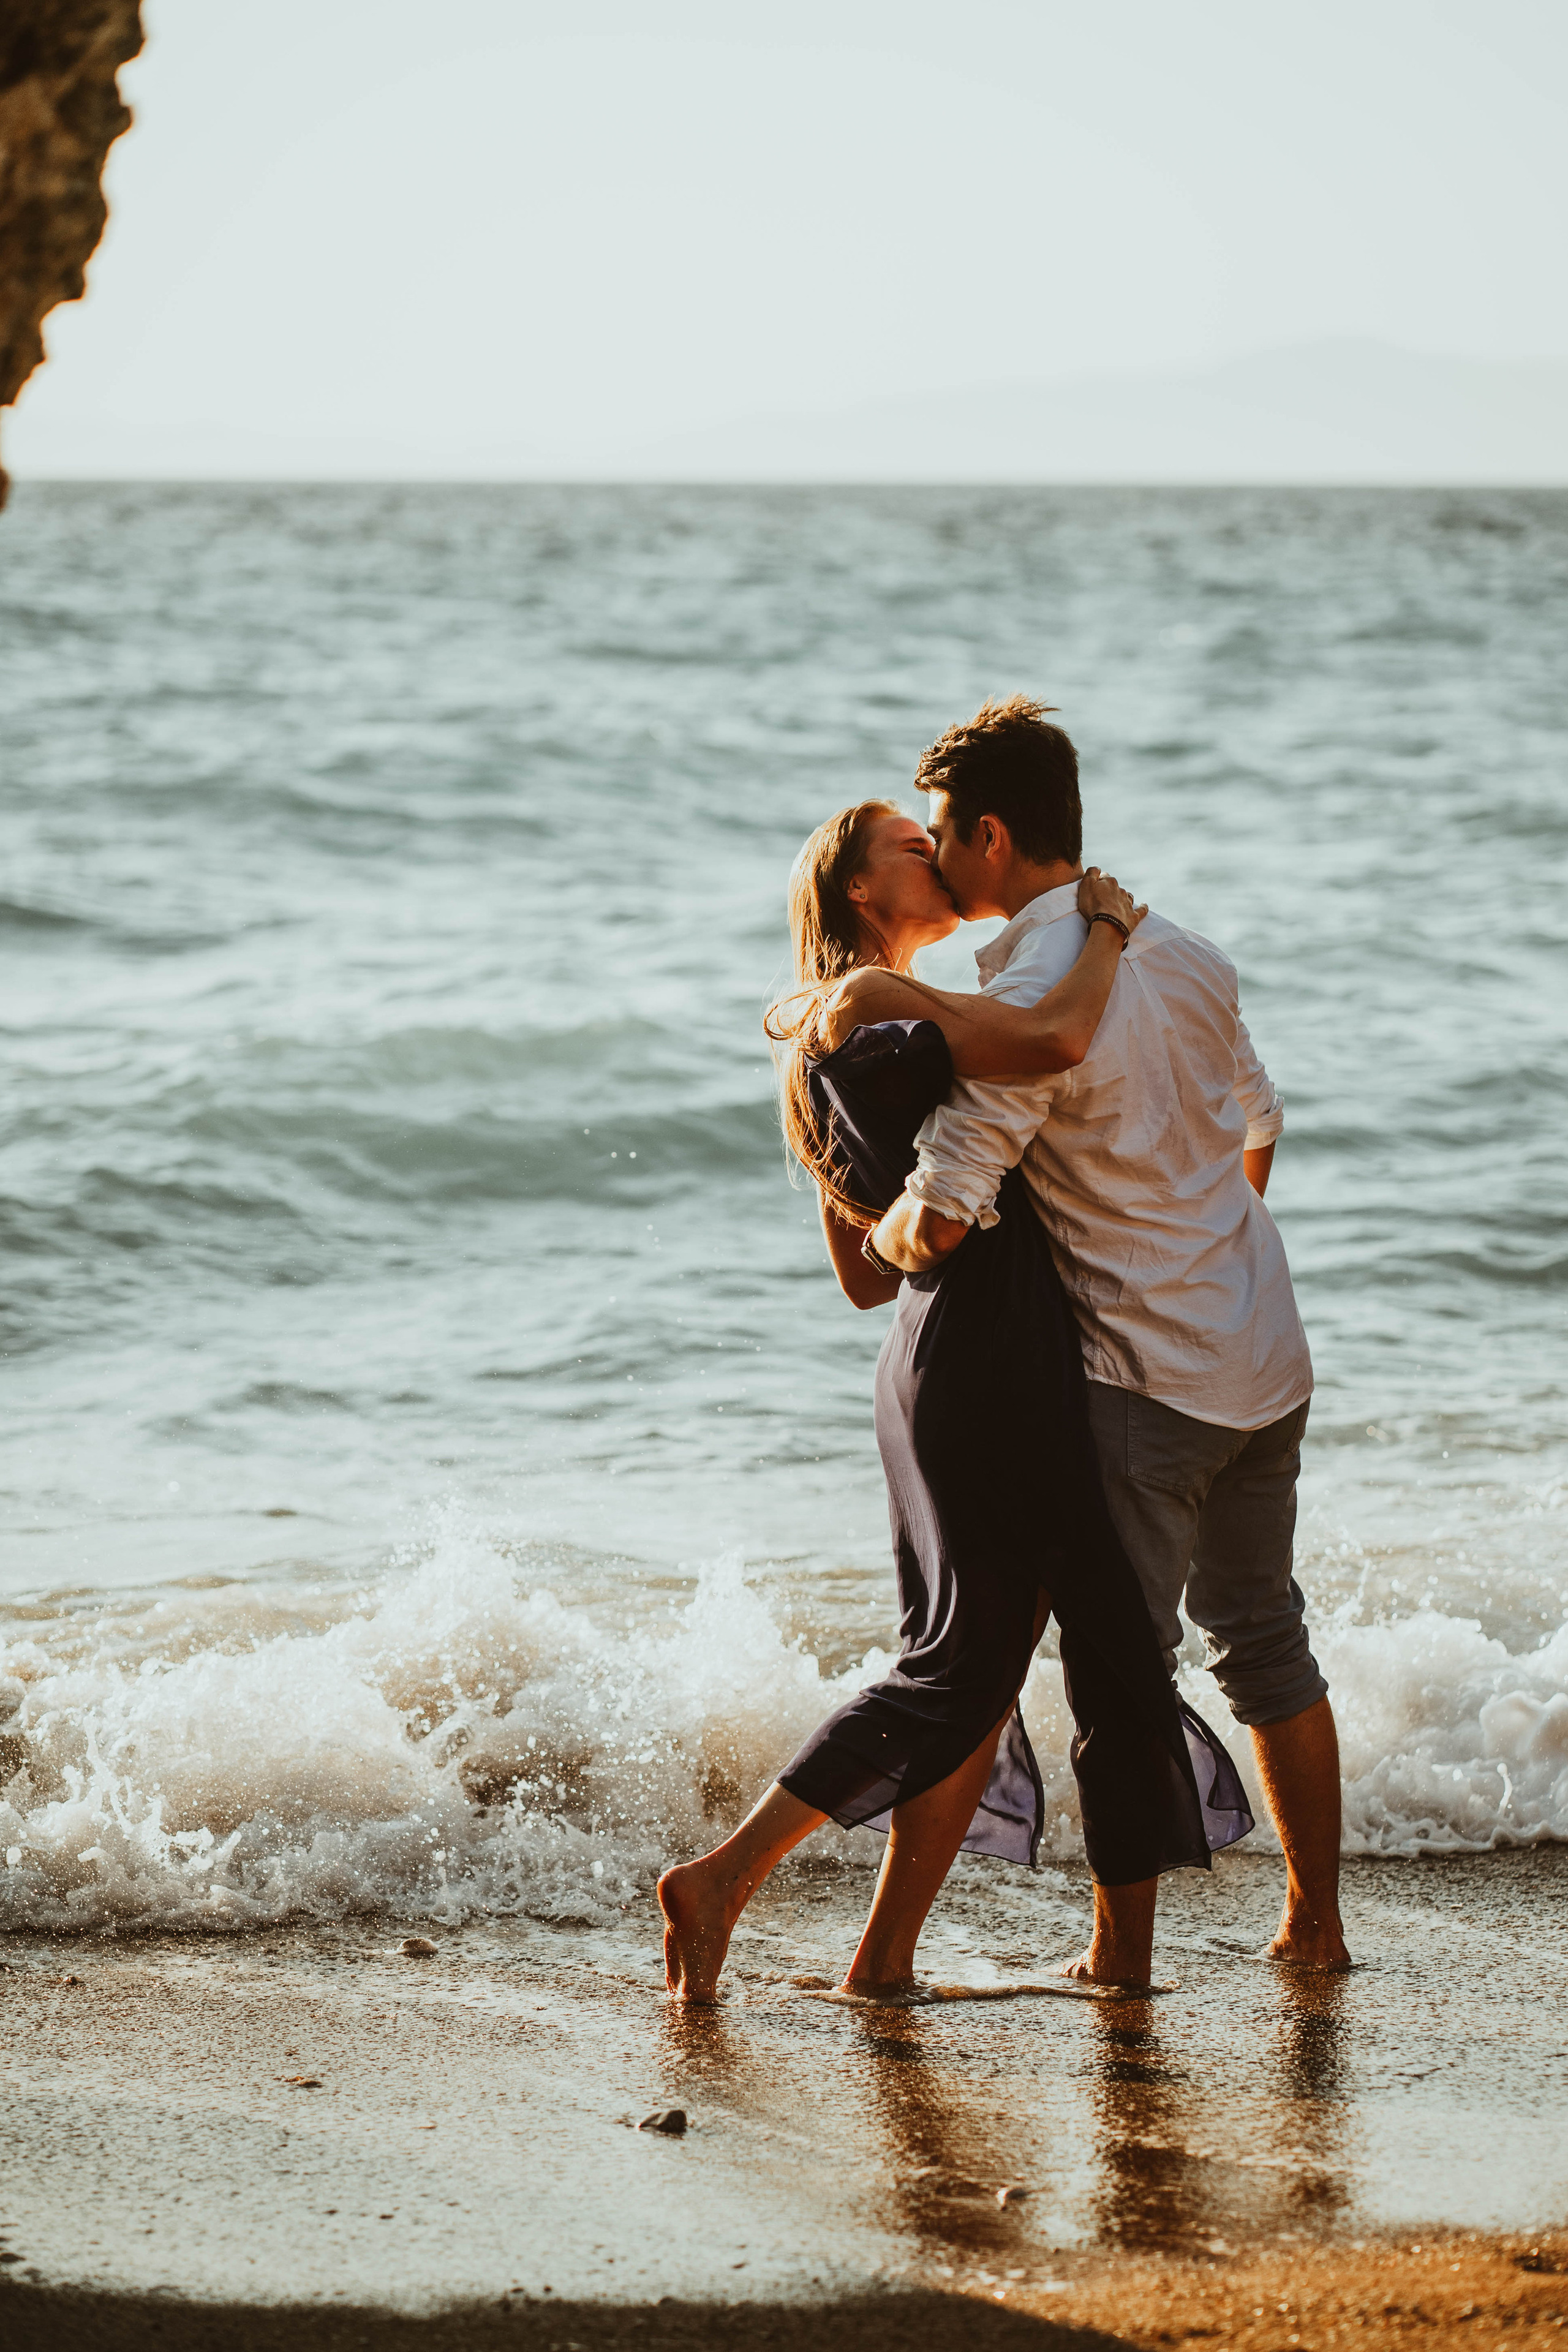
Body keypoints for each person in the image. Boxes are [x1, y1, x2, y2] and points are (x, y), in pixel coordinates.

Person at [657, 800, 1251, 2005]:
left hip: (952, 1358)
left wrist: (942, 1220)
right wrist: (1102, 927)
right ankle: (718, 1881)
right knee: (978, 1667)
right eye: (908, 847)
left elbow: (863, 1274)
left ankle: (883, 1960)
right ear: (862, 894)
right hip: (990, 1368)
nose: (934, 854)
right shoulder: (876, 1013)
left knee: (977, 1670)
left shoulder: (831, 1030)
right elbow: (1052, 1042)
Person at [870, 695, 1350, 1981]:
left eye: (936, 834)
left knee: (1117, 1676)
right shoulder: (1183, 949)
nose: (929, 855)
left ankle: (1118, 1960)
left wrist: (877, 1242)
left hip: (1144, 1386)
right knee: (1264, 1635)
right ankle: (1313, 1924)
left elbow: (949, 1215)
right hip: (1262, 1351)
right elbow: (1257, 1119)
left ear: (986, 834)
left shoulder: (1025, 992)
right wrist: (1200, 1237)